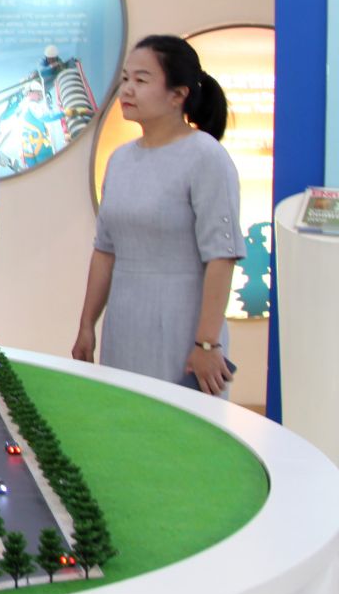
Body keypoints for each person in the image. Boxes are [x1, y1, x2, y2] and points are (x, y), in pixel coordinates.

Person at [74, 35, 244, 394]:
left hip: (184, 329)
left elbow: (222, 255)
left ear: (178, 94)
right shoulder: (120, 159)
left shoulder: (206, 157)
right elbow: (105, 251)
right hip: (125, 324)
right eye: (125, 78)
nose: (127, 89)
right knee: (124, 418)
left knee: (181, 425)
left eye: (141, 80)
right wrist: (87, 324)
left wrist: (207, 344)